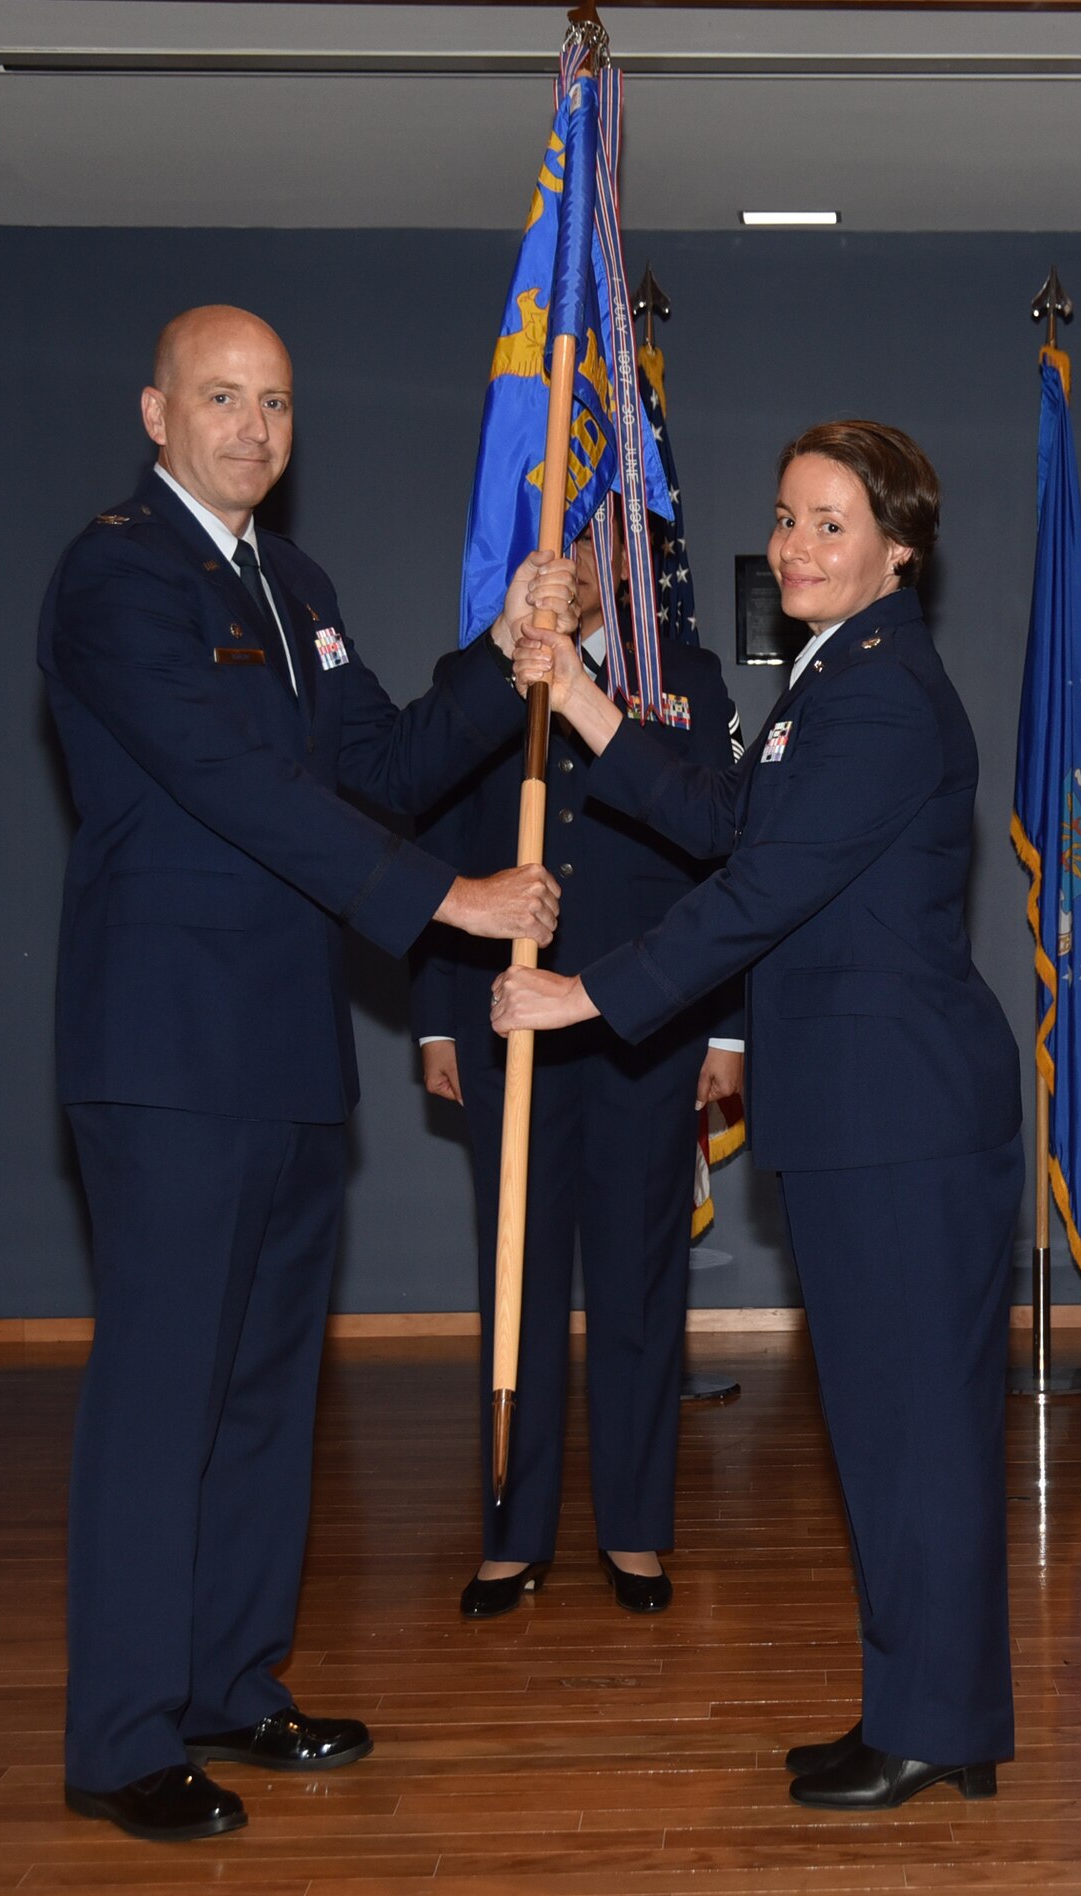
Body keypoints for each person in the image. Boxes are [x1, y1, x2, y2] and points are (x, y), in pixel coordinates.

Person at [39, 303, 572, 1843]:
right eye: (221, 398)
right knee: (162, 1402)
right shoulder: (116, 575)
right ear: (157, 413)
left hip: (280, 1052)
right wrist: (445, 903)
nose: (252, 429)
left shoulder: (298, 585)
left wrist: (502, 656)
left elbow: (385, 766)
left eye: (274, 404)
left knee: (267, 1397)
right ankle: (125, 1736)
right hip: (165, 1053)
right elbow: (237, 788)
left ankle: (227, 1684)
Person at [493, 421, 1024, 1812]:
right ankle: (927, 1712)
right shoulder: (831, 677)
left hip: (900, 1118)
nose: (796, 544)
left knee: (913, 1430)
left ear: (898, 548)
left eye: (830, 523)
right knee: (892, 1428)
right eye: (787, 517)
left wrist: (585, 998)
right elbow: (732, 813)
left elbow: (755, 895)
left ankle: (932, 1721)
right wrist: (596, 702)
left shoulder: (884, 694)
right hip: (866, 1115)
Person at [411, 530, 743, 1617]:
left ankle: (636, 1529)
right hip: (506, 1015)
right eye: (566, 543)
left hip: (644, 1027)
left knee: (640, 1281)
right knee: (519, 1276)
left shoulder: (682, 679)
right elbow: (434, 841)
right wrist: (433, 1022)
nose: (584, 564)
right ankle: (513, 1532)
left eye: (607, 546)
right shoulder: (484, 670)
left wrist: (728, 1033)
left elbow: (728, 865)